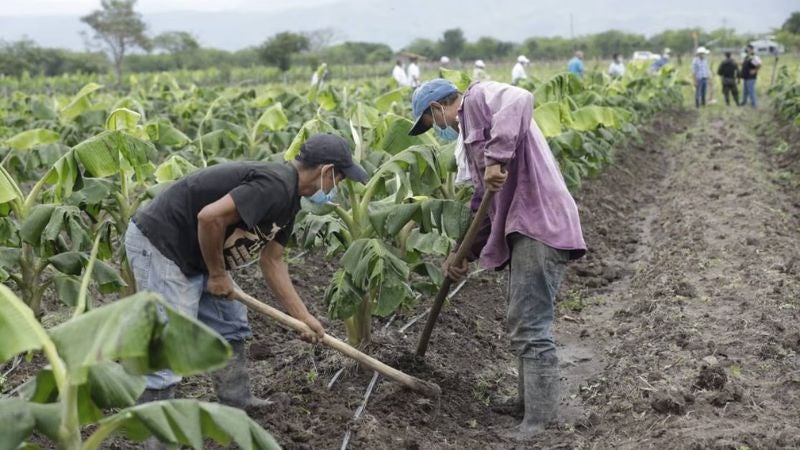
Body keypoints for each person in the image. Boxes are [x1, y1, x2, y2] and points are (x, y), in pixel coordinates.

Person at [127, 134, 368, 411]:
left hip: (198, 251)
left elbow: (272, 261)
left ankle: (236, 402)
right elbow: (209, 217)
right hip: (162, 243)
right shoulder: (276, 185)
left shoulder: (290, 201)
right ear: (326, 171)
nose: (337, 186)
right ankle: (155, 434)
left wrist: (302, 317)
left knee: (231, 323)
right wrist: (217, 274)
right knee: (171, 340)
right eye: (339, 179)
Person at [407, 79, 586, 439]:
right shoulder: (474, 135)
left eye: (432, 123)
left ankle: (540, 421)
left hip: (540, 224)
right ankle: (526, 403)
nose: (440, 129)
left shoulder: (476, 98)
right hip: (524, 227)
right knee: (521, 320)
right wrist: (463, 254)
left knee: (531, 325)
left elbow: (520, 97)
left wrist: (497, 157)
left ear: (436, 109)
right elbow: (483, 206)